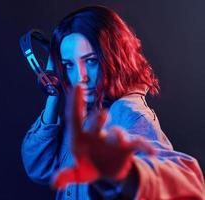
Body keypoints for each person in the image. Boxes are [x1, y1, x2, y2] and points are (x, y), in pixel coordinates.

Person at [21, 5, 205, 199]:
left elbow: (188, 184)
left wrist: (127, 176)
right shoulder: (85, 113)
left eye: (91, 61)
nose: (80, 77)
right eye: (69, 65)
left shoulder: (129, 113)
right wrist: (54, 90)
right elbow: (38, 168)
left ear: (114, 58)